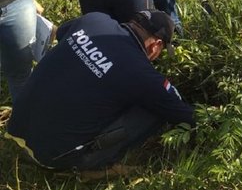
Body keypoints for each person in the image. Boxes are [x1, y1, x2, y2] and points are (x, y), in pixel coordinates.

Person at [6, 10, 195, 172]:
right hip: (52, 157)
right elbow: (182, 114)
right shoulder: (140, 72)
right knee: (155, 110)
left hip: (16, 128)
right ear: (156, 46)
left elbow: (62, 33)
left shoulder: (94, 19)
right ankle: (92, 165)